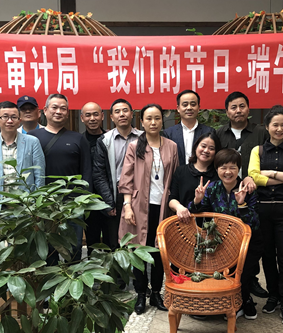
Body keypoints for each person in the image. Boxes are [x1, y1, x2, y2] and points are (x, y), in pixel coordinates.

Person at [118, 104, 179, 315]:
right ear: (142, 122)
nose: (153, 122)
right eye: (149, 118)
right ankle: (141, 294)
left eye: (157, 118)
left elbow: (175, 178)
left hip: (163, 208)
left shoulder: (172, 146)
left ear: (162, 121)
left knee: (160, 251)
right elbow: (126, 178)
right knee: (139, 251)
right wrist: (127, 206)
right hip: (138, 207)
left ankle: (156, 293)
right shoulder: (135, 146)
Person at [189, 149, 262, 320]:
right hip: (220, 242)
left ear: (238, 169)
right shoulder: (212, 188)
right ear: (217, 169)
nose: (228, 172)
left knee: (242, 274)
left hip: (246, 243)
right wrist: (197, 200)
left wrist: (242, 204)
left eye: (232, 167)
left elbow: (255, 223)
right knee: (218, 274)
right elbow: (197, 213)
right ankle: (218, 302)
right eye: (223, 167)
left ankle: (243, 301)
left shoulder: (248, 189)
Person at [248, 106, 283, 326]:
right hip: (263, 211)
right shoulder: (258, 151)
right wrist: (282, 177)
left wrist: (268, 174)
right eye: (275, 125)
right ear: (267, 127)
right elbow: (253, 176)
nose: (279, 129)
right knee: (268, 257)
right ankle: (273, 296)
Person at [29, 94, 92, 261]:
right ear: (45, 110)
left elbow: (87, 171)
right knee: (46, 248)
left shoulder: (78, 138)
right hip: (43, 203)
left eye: (63, 108)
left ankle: (74, 276)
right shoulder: (32, 137)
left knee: (74, 246)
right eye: (54, 107)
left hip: (72, 203)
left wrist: (84, 200)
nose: (58, 111)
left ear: (68, 112)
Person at [216, 91, 267, 298]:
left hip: (255, 193)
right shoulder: (219, 133)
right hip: (227, 194)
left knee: (252, 238)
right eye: (233, 107)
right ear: (227, 111)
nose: (238, 111)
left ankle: (251, 279)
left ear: (248, 108)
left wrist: (252, 177)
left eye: (242, 106)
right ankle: (230, 280)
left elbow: (267, 159)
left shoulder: (260, 132)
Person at [0, 101, 45, 227]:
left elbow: (39, 176)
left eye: (14, 117)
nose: (9, 121)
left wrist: (37, 205)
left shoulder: (32, 142)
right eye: (5, 117)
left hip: (26, 207)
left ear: (19, 121)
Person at [93, 99, 143, 250]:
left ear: (132, 114)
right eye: (117, 111)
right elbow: (99, 174)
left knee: (139, 238)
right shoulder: (104, 140)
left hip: (139, 192)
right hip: (115, 194)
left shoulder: (144, 138)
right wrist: (109, 202)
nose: (122, 114)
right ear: (111, 117)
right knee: (115, 241)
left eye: (125, 110)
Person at [169, 131, 221, 223]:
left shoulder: (219, 175)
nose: (206, 150)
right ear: (196, 146)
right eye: (203, 146)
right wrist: (179, 207)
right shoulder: (181, 171)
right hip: (184, 224)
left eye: (211, 148)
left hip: (212, 226)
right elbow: (172, 199)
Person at [80, 102, 109, 252]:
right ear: (82, 118)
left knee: (111, 240)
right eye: (88, 115)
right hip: (88, 200)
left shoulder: (110, 139)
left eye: (96, 114)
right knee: (92, 241)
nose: (92, 118)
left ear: (102, 116)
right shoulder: (78, 141)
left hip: (109, 198)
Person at [162, 89, 215, 165]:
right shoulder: (169, 133)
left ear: (198, 107)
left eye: (193, 104)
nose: (189, 108)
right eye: (185, 105)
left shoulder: (209, 132)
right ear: (178, 108)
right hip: (177, 172)